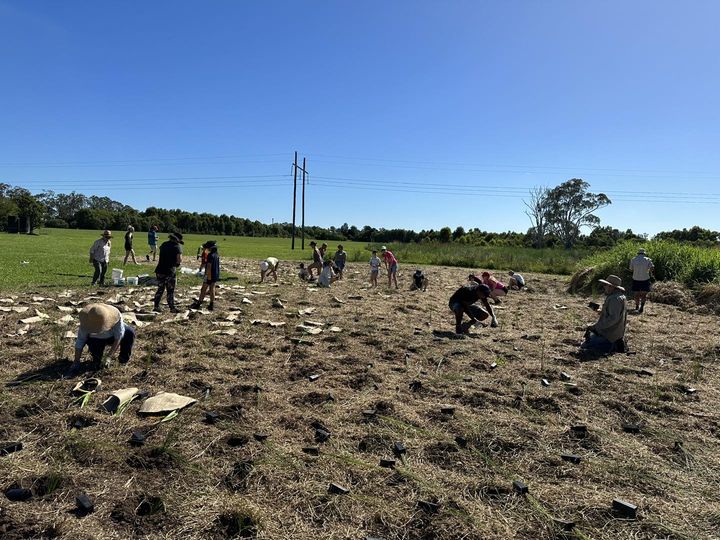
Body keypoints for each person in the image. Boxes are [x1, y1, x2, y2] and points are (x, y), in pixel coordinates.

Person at [66, 303, 135, 376]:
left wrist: (109, 357)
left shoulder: (115, 316)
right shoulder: (86, 323)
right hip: (95, 340)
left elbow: (119, 337)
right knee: (97, 362)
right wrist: (76, 361)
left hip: (112, 336)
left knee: (129, 333)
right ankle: (97, 359)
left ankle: (123, 360)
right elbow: (80, 341)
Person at [581, 274, 627, 355]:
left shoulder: (614, 299)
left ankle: (614, 346)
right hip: (614, 332)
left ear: (611, 286)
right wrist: (601, 311)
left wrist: (595, 327)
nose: (604, 287)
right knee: (587, 341)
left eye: (606, 285)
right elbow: (613, 313)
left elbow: (613, 318)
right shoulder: (619, 296)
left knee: (584, 346)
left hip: (610, 335)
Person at [153, 232, 184, 313]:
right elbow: (179, 259)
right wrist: (177, 265)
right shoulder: (177, 247)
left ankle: (156, 306)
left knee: (160, 289)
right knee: (170, 290)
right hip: (170, 271)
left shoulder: (164, 244)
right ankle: (172, 308)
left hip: (159, 270)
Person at [192, 243, 220, 311]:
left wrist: (207, 276)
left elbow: (209, 266)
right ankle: (211, 304)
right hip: (215, 274)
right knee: (212, 289)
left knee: (203, 289)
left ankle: (199, 303)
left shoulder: (210, 255)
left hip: (209, 275)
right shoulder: (216, 255)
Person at [629, 248, 654, 313]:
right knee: (643, 295)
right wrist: (649, 272)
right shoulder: (648, 259)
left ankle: (637, 306)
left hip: (636, 279)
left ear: (638, 253)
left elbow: (631, 269)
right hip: (645, 279)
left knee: (636, 294)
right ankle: (642, 307)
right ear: (644, 253)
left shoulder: (633, 259)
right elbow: (652, 267)